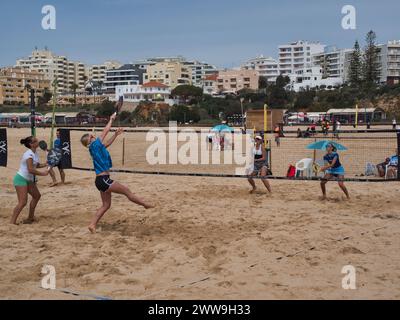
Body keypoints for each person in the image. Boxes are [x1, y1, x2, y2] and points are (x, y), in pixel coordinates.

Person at [80, 113, 154, 233]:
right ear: (90, 140)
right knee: (126, 191)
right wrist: (111, 119)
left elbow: (106, 144)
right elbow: (105, 131)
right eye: (91, 136)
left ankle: (92, 224)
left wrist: (115, 134)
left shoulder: (96, 147)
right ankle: (145, 204)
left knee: (106, 205)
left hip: (100, 181)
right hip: (103, 180)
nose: (93, 136)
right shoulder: (95, 144)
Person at [11, 136, 50, 225]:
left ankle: (30, 218)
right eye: (36, 141)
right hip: (21, 179)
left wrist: (46, 164)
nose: (38, 141)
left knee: (37, 196)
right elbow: (30, 169)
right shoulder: (29, 154)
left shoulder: (35, 153)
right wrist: (43, 173)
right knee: (22, 202)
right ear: (31, 144)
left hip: (28, 179)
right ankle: (12, 222)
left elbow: (36, 165)